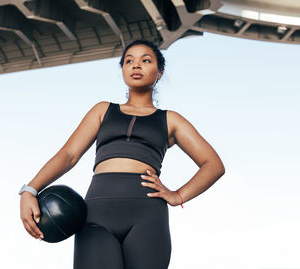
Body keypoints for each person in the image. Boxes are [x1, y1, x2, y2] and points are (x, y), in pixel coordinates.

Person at [19, 39, 225, 269]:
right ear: (123, 70)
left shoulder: (171, 120)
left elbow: (213, 164)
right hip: (96, 215)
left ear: (159, 73)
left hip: (147, 215)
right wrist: (30, 189)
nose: (136, 65)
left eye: (145, 60)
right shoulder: (102, 110)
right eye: (129, 61)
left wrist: (178, 195)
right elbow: (68, 154)